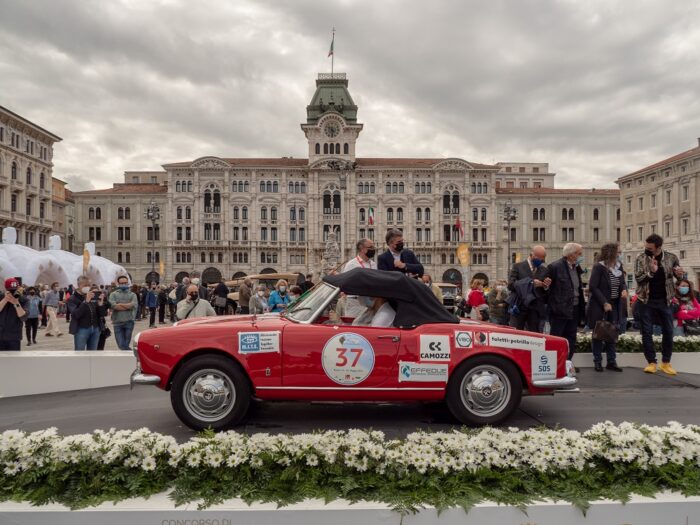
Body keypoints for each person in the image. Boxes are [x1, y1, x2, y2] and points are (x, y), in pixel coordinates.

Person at [634, 234, 683, 375]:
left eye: (650, 248)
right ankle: (651, 362)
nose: (646, 249)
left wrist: (680, 274)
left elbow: (679, 277)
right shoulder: (641, 259)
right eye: (646, 247)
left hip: (665, 300)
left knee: (668, 330)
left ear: (658, 247)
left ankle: (666, 362)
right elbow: (639, 279)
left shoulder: (671, 257)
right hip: (646, 300)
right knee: (647, 332)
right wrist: (651, 272)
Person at [544, 243, 586, 364]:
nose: (581, 256)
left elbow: (576, 287)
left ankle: (567, 364)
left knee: (571, 338)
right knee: (557, 338)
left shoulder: (576, 267)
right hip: (559, 310)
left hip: (575, 308)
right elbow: (545, 287)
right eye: (579, 254)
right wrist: (546, 285)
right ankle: (554, 365)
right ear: (571, 255)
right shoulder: (555, 267)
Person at [587, 243, 626, 372]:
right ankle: (597, 361)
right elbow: (593, 286)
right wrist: (604, 302)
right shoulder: (599, 267)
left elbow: (622, 283)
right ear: (611, 253)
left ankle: (611, 361)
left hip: (615, 304)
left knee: (612, 333)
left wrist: (624, 290)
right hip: (600, 305)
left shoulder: (619, 267)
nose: (620, 254)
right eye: (618, 252)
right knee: (599, 333)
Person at [507, 245, 550, 332]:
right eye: (541, 259)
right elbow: (511, 285)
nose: (542, 261)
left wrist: (545, 286)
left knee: (535, 335)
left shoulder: (544, 270)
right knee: (516, 334)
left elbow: (545, 293)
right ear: (533, 255)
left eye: (543, 259)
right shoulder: (517, 266)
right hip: (519, 307)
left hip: (535, 309)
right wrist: (531, 283)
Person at [68, 276, 107, 350]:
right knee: (80, 353)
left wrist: (100, 304)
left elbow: (102, 314)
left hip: (95, 328)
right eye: (85, 285)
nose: (87, 287)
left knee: (93, 353)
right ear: (78, 285)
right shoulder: (72, 298)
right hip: (81, 329)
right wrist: (86, 302)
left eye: (89, 285)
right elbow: (76, 314)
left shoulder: (92, 295)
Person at [343, 238, 378, 317]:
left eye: (373, 247)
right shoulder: (351, 264)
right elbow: (345, 284)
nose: (373, 249)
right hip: (355, 302)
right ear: (362, 249)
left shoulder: (373, 264)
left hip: (370, 302)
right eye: (371, 247)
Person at [108, 275, 138, 350]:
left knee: (126, 344)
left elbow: (133, 305)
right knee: (121, 344)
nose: (124, 284)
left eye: (125, 282)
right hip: (117, 322)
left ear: (128, 283)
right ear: (118, 283)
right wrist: (127, 305)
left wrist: (120, 304)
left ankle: (127, 358)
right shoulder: (113, 294)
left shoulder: (132, 294)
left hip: (129, 321)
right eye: (122, 283)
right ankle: (131, 354)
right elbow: (113, 306)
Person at [0, 278, 27, 351]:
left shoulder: (23, 299)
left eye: (14, 290)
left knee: (14, 360)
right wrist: (5, 299)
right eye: (10, 290)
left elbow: (23, 317)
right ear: (6, 289)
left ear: (18, 288)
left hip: (14, 336)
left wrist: (16, 303)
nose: (12, 292)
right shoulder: (1, 297)